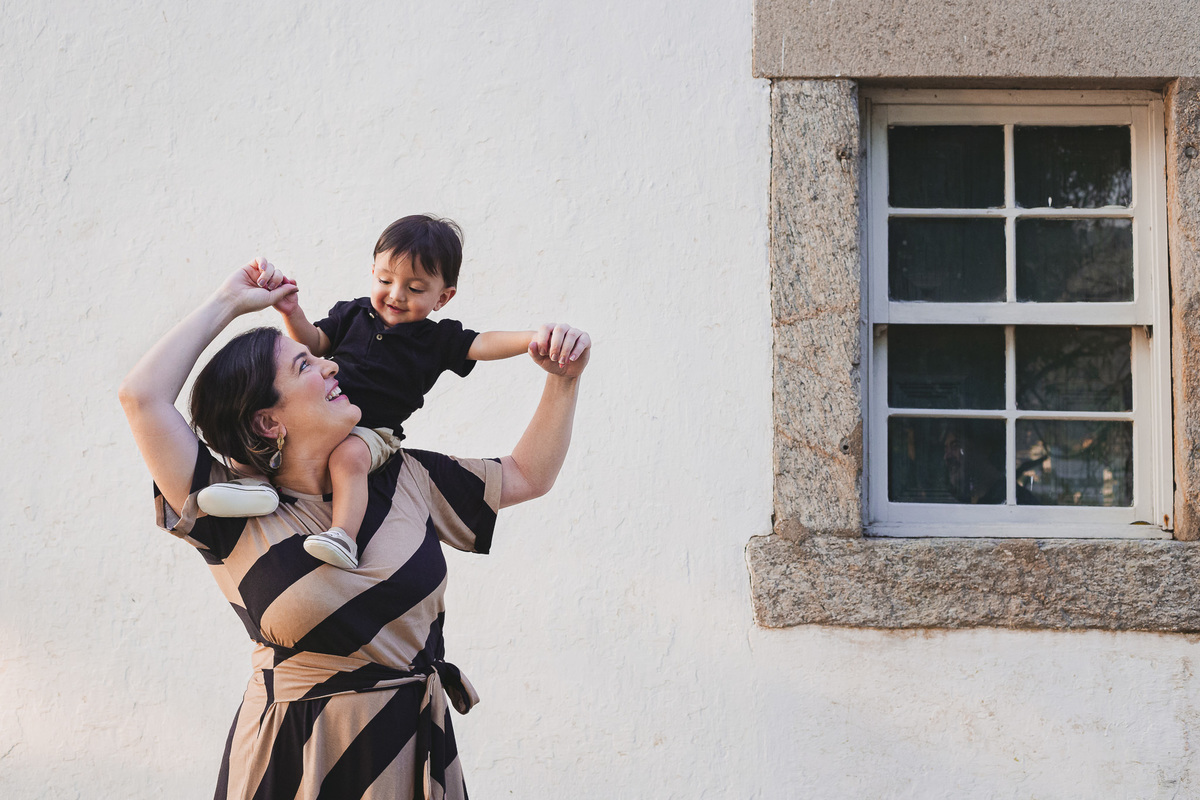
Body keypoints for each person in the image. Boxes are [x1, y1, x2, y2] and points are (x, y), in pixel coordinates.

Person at [119, 258, 590, 799]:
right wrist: (227, 301)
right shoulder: (227, 508)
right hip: (293, 762)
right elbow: (141, 397)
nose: (331, 366)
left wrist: (563, 381)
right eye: (305, 366)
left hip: (409, 752)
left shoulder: (404, 476)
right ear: (269, 421)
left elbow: (528, 475)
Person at [197, 215, 576, 570]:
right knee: (271, 427)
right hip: (327, 413)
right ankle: (254, 488)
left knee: (347, 458)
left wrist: (533, 339)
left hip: (372, 432)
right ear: (372, 272)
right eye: (385, 280)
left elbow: (483, 343)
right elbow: (313, 340)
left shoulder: (435, 339)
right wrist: (290, 312)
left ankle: (343, 536)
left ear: (442, 298)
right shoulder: (353, 314)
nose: (396, 295)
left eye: (414, 288)